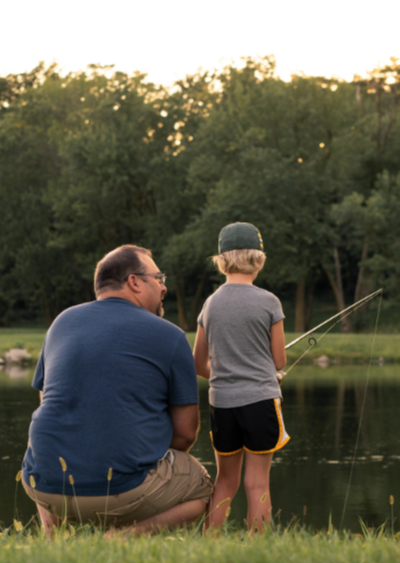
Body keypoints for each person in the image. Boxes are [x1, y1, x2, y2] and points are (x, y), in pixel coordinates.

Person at [21, 245, 212, 536]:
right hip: (124, 493)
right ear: (134, 282)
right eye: (158, 277)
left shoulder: (61, 322)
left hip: (42, 487)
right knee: (203, 487)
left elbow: (49, 403)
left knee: (48, 441)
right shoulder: (170, 335)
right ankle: (118, 539)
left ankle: (54, 539)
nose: (164, 287)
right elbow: (185, 434)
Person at [192, 223, 288, 533]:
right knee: (257, 481)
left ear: (221, 260)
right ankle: (257, 546)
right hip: (261, 401)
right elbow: (279, 360)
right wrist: (270, 375)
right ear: (258, 259)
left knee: (225, 480)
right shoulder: (269, 302)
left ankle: (209, 541)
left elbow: (198, 362)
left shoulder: (210, 304)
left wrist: (223, 377)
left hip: (222, 405)